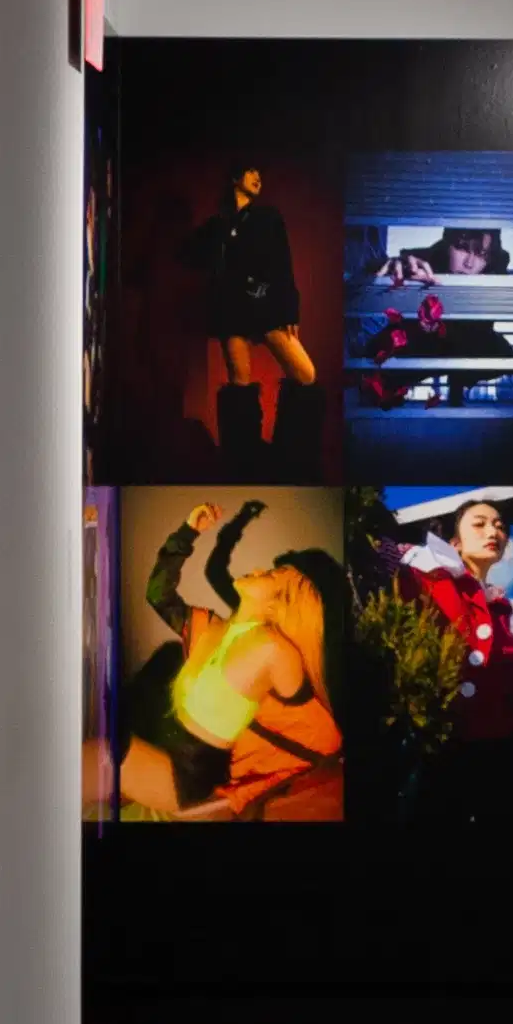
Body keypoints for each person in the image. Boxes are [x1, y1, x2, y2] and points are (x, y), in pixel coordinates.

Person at [116, 499, 339, 821]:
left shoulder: (274, 654)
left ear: (280, 607)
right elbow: (158, 594)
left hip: (184, 775)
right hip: (152, 744)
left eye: (273, 574)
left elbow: (313, 727)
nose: (261, 568)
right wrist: (190, 531)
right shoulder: (210, 627)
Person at [396, 494, 513, 819]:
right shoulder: (422, 578)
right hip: (437, 759)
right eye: (480, 524)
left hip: (502, 763)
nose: (493, 532)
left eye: (499, 526)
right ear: (454, 543)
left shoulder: (512, 614)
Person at [181, 170, 316, 471]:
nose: (258, 177)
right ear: (234, 178)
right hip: (230, 308)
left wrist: (290, 309)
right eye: (250, 171)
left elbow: (284, 265)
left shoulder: (268, 217)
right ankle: (243, 462)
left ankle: (291, 456)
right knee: (238, 384)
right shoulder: (217, 224)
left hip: (264, 306)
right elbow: (189, 254)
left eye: (260, 173)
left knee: (305, 376)